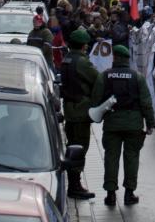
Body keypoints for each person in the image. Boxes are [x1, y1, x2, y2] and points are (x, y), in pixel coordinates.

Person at [91, 44, 155, 207]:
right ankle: (129, 193)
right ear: (127, 59)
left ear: (115, 58)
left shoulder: (104, 76)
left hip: (112, 124)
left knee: (111, 158)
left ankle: (111, 194)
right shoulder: (137, 77)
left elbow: (96, 101)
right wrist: (150, 123)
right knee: (132, 158)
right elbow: (146, 102)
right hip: (133, 124)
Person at [60, 29, 98, 200]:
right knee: (80, 148)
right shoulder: (82, 62)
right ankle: (75, 186)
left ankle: (74, 183)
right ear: (84, 46)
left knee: (72, 145)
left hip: (69, 109)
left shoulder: (67, 59)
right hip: (80, 109)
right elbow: (97, 79)